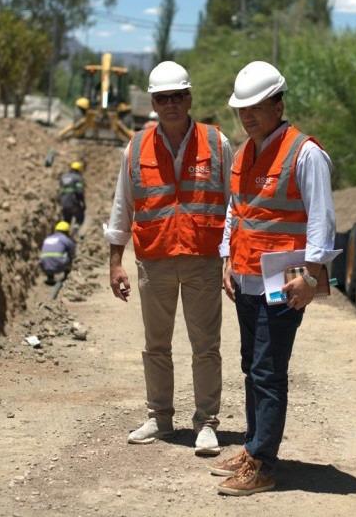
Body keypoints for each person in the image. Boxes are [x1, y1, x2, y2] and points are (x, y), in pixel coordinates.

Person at [210, 61, 337, 496]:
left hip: (285, 280)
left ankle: (262, 464)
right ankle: (253, 447)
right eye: (241, 109)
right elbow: (236, 210)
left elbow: (322, 217)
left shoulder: (305, 153)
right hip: (246, 277)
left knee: (267, 370)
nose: (246, 116)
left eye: (256, 107)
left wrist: (314, 276)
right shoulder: (244, 152)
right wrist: (227, 258)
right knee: (252, 366)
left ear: (278, 104)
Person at [106, 61, 233, 456]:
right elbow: (121, 206)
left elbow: (234, 205)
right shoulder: (136, 147)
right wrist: (115, 261)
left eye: (178, 96)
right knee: (155, 344)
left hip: (203, 259)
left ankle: (207, 422)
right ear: (154, 103)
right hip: (155, 258)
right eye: (164, 98)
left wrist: (231, 259)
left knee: (205, 345)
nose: (172, 104)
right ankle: (159, 417)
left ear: (189, 98)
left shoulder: (216, 143)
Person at [40, 221, 76, 285]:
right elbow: (72, 252)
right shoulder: (65, 239)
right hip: (59, 266)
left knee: (47, 255)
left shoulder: (48, 238)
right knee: (68, 254)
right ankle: (67, 275)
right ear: (66, 231)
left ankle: (50, 277)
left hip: (44, 267)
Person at [59, 161, 86, 226]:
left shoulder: (63, 176)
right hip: (73, 201)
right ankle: (75, 231)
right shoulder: (78, 178)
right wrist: (83, 203)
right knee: (80, 217)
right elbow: (79, 192)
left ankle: (66, 233)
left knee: (66, 220)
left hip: (63, 202)